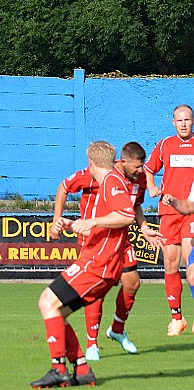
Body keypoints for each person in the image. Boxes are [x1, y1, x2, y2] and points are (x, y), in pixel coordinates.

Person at [31, 141, 135, 388]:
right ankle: (82, 369)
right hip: (97, 261)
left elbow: (127, 215)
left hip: (98, 263)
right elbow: (110, 218)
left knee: (47, 302)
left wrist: (92, 222)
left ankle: (58, 369)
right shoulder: (110, 180)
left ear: (91, 163)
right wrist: (72, 223)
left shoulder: (111, 180)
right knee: (58, 312)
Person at [50, 142, 164, 361]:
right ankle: (92, 343)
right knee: (97, 289)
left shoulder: (137, 180)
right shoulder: (98, 174)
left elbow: (134, 207)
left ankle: (117, 329)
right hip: (95, 240)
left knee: (132, 283)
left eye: (142, 167)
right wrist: (57, 220)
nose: (142, 172)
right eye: (137, 167)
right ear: (122, 162)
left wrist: (145, 229)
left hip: (121, 239)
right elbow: (64, 186)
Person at [144, 104, 194, 336]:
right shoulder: (165, 145)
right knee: (171, 265)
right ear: (173, 123)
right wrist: (152, 186)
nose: (184, 123)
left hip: (191, 212)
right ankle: (177, 318)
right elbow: (148, 169)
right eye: (179, 120)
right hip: (168, 213)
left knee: (191, 264)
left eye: (187, 119)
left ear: (192, 121)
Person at [162, 184, 194, 333]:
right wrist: (174, 201)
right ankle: (177, 318)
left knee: (190, 262)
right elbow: (188, 206)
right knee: (186, 271)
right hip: (172, 211)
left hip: (190, 216)